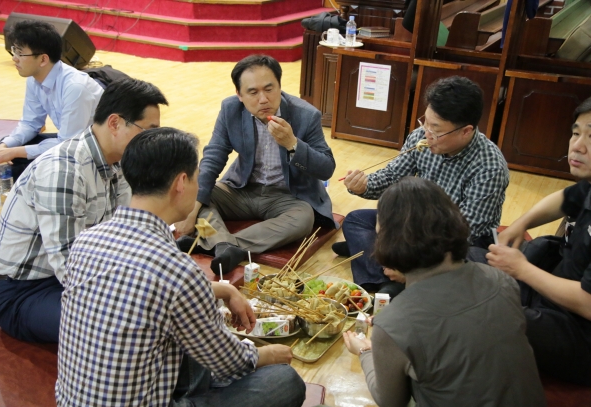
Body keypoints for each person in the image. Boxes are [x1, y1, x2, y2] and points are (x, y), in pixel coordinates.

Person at [56, 128, 306, 407]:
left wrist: (224, 290)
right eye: (198, 177)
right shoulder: (178, 270)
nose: (200, 187)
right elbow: (229, 362)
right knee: (284, 381)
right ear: (181, 182)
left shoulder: (86, 241)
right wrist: (269, 355)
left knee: (188, 345)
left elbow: (152, 290)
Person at [0, 78, 167, 343]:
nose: (152, 141)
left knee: (155, 307)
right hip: (25, 291)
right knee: (132, 322)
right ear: (115, 123)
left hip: (69, 277)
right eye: (148, 131)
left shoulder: (118, 162)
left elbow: (129, 234)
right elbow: (69, 267)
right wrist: (137, 296)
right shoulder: (64, 170)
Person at [343, 177, 546, 407]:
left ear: (386, 241)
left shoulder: (392, 324)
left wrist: (365, 352)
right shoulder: (502, 280)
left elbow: (391, 401)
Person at [334, 76, 509, 298]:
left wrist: (412, 264)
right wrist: (362, 186)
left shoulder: (490, 167)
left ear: (466, 131)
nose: (427, 134)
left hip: (456, 238)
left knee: (471, 260)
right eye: (425, 122)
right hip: (416, 221)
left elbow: (465, 232)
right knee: (356, 220)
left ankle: (380, 260)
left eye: (436, 130)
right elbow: (392, 176)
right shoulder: (421, 137)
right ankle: (385, 279)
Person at [175, 54, 337, 275]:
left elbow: (326, 168)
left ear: (280, 86)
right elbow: (213, 157)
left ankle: (218, 243)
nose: (263, 99)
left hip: (288, 197)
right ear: (239, 95)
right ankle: (223, 246)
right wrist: (193, 210)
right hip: (241, 189)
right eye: (253, 92)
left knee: (303, 219)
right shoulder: (230, 109)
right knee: (198, 196)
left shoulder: (306, 115)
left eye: (269, 89)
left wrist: (292, 144)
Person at [487, 97, 591, 386]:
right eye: (576, 133)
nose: (578, 146)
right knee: (473, 265)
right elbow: (564, 198)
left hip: (580, 333)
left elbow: (588, 303)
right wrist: (521, 223)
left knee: (488, 316)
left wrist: (522, 269)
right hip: (557, 293)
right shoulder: (588, 186)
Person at [0, 20, 104, 180]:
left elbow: (67, 144)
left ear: (43, 59)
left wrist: (12, 152)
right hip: (72, 141)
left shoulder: (75, 87)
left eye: (20, 53)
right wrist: (4, 147)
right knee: (12, 143)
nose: (15, 59)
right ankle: (11, 169)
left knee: (30, 159)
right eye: (14, 51)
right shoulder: (34, 79)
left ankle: (13, 171)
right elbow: (30, 124)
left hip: (95, 148)